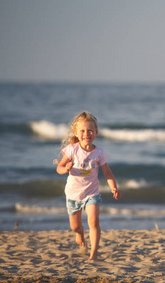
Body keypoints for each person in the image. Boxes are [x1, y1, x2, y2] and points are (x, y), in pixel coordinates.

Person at [56, 111, 120, 261]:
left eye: (90, 130)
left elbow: (108, 173)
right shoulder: (72, 150)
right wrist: (66, 169)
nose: (87, 134)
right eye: (83, 131)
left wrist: (113, 187)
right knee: (75, 227)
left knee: (94, 221)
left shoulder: (99, 153)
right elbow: (59, 168)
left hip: (92, 193)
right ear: (77, 133)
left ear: (96, 132)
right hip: (73, 194)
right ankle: (79, 233)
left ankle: (94, 254)